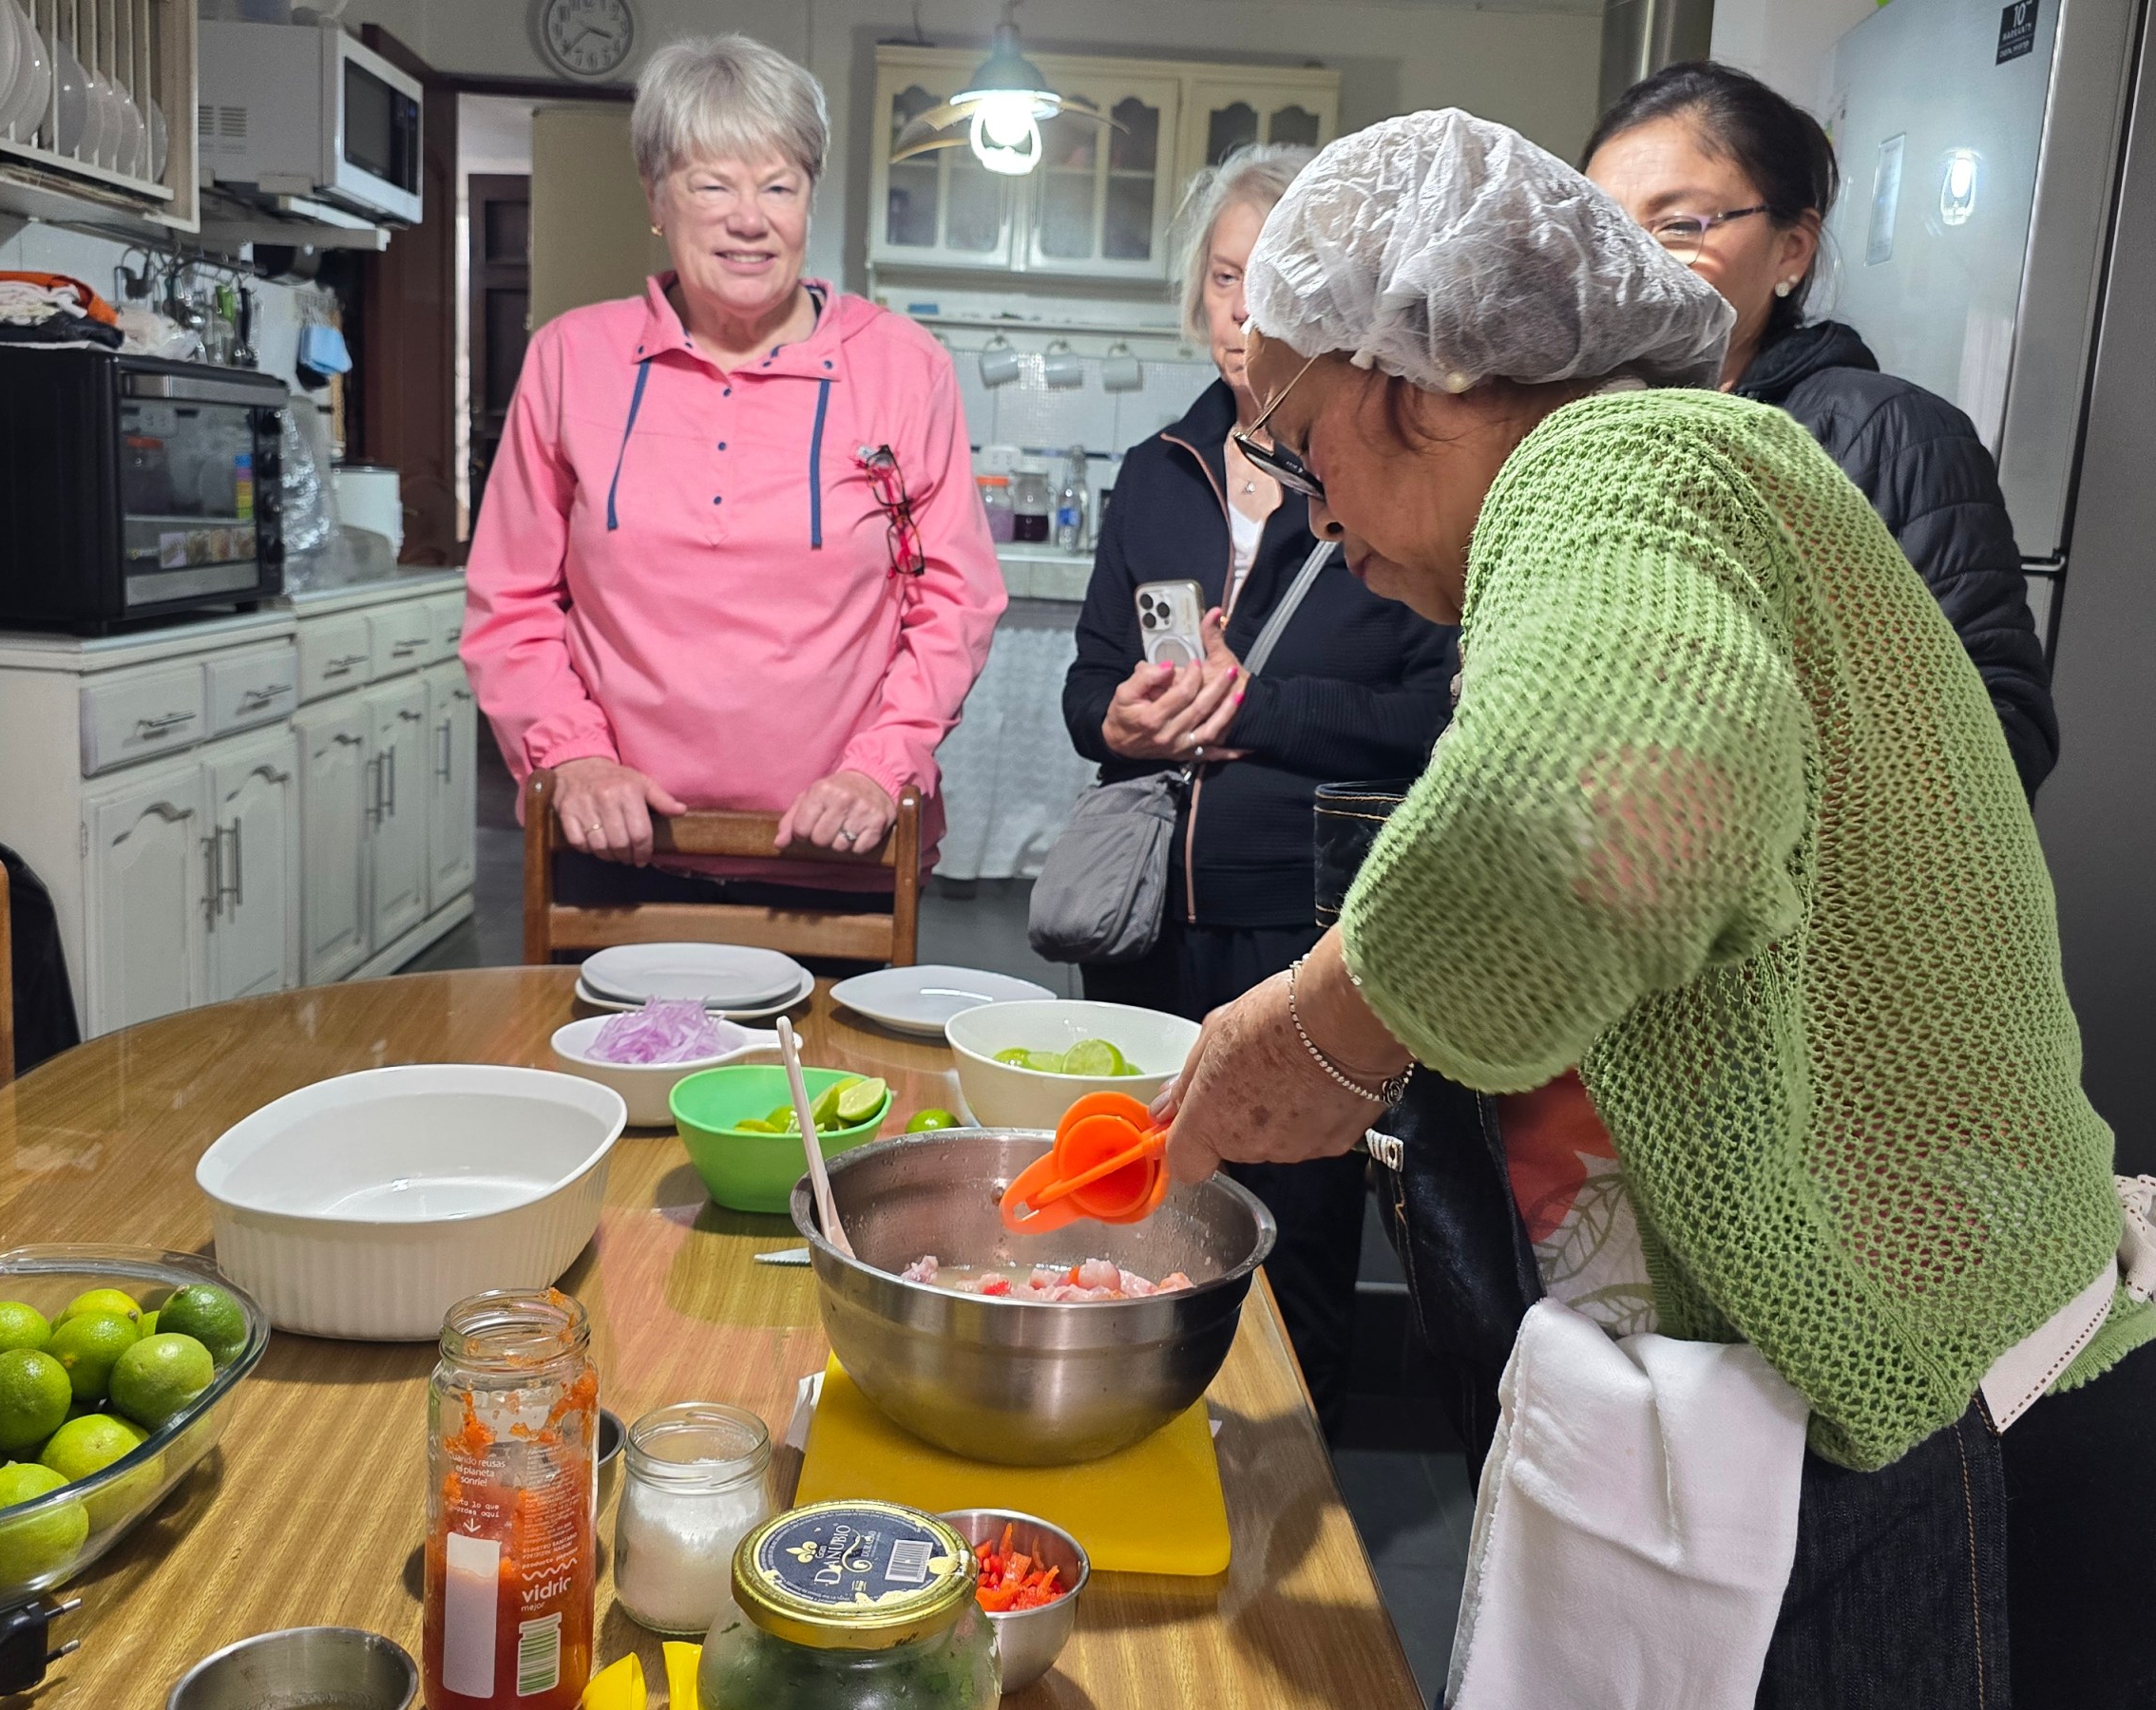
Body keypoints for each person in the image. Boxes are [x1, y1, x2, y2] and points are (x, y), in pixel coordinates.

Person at [1158, 110, 2152, 1708]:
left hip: (1918, 1427)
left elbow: (1598, 821)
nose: (1303, 513)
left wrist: (1323, 1035)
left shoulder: (1621, 469)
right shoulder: (1674, 482)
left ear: (1409, 379)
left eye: (1290, 436)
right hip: (1895, 1375)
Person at [1060, 144, 1457, 1434]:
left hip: (1311, 925)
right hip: (1146, 923)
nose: (1248, 312)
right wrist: (1122, 715)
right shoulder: (1152, 469)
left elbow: (1434, 722)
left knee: (1295, 1251)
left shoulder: (1393, 477)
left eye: (1279, 282)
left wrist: (1257, 707)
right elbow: (1089, 694)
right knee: (1135, 1214)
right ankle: (1131, 1443)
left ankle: (1297, 1490)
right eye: (1229, 279)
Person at [463, 35, 1002, 912]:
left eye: (778, 185)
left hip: (843, 851)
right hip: (614, 852)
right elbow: (512, 599)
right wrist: (574, 756)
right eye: (712, 183)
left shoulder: (906, 367)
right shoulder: (570, 360)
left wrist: (879, 766)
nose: (748, 218)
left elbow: (955, 602)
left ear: (809, 200)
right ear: (655, 198)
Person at [1585, 62, 2060, 801]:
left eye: (1678, 225)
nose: (1632, 263)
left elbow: (2005, 727)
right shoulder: (1584, 430)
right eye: (1604, 229)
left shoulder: (1891, 432)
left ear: (1792, 248)